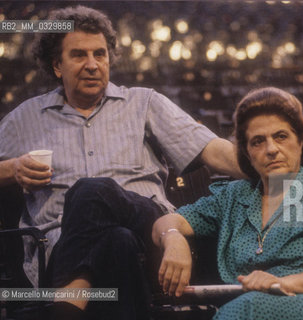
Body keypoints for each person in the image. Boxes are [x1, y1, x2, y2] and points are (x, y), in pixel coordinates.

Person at [0, 5, 242, 320]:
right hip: (61, 248)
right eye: (79, 56)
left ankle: (64, 310)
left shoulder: (144, 103)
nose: (92, 65)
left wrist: (281, 172)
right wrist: (12, 169)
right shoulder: (27, 117)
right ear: (57, 65)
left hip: (150, 234)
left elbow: (212, 150)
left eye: (100, 54)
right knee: (116, 240)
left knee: (90, 191)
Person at [153, 87, 303, 319]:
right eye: (258, 142)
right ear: (247, 153)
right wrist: (173, 237)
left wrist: (278, 283)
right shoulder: (233, 197)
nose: (271, 149)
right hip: (258, 306)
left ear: (300, 140)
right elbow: (167, 221)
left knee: (250, 307)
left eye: (281, 137)